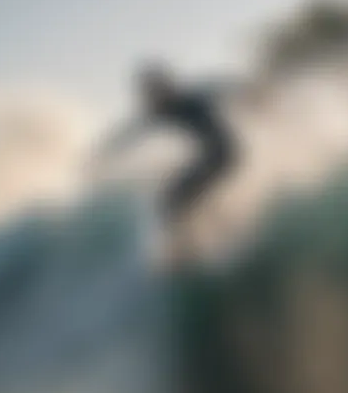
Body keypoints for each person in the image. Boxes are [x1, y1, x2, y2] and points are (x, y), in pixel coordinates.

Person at [89, 62, 251, 262]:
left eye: (153, 91)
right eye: (148, 93)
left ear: (164, 86)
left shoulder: (188, 98)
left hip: (224, 154)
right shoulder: (162, 110)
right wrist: (104, 154)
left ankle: (190, 250)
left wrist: (255, 93)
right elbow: (132, 130)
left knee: (172, 200)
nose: (150, 98)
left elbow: (220, 86)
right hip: (214, 156)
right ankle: (217, 237)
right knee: (177, 197)